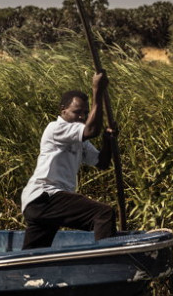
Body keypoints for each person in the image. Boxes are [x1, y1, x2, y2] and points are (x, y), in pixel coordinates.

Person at [20, 72, 116, 250]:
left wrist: (107, 140)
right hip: (44, 196)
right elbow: (92, 130)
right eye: (77, 112)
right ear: (63, 111)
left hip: (42, 205)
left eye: (85, 113)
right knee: (103, 214)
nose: (82, 116)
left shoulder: (80, 140)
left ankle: (20, 274)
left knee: (33, 255)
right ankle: (107, 261)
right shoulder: (57, 128)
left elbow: (102, 163)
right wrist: (98, 91)